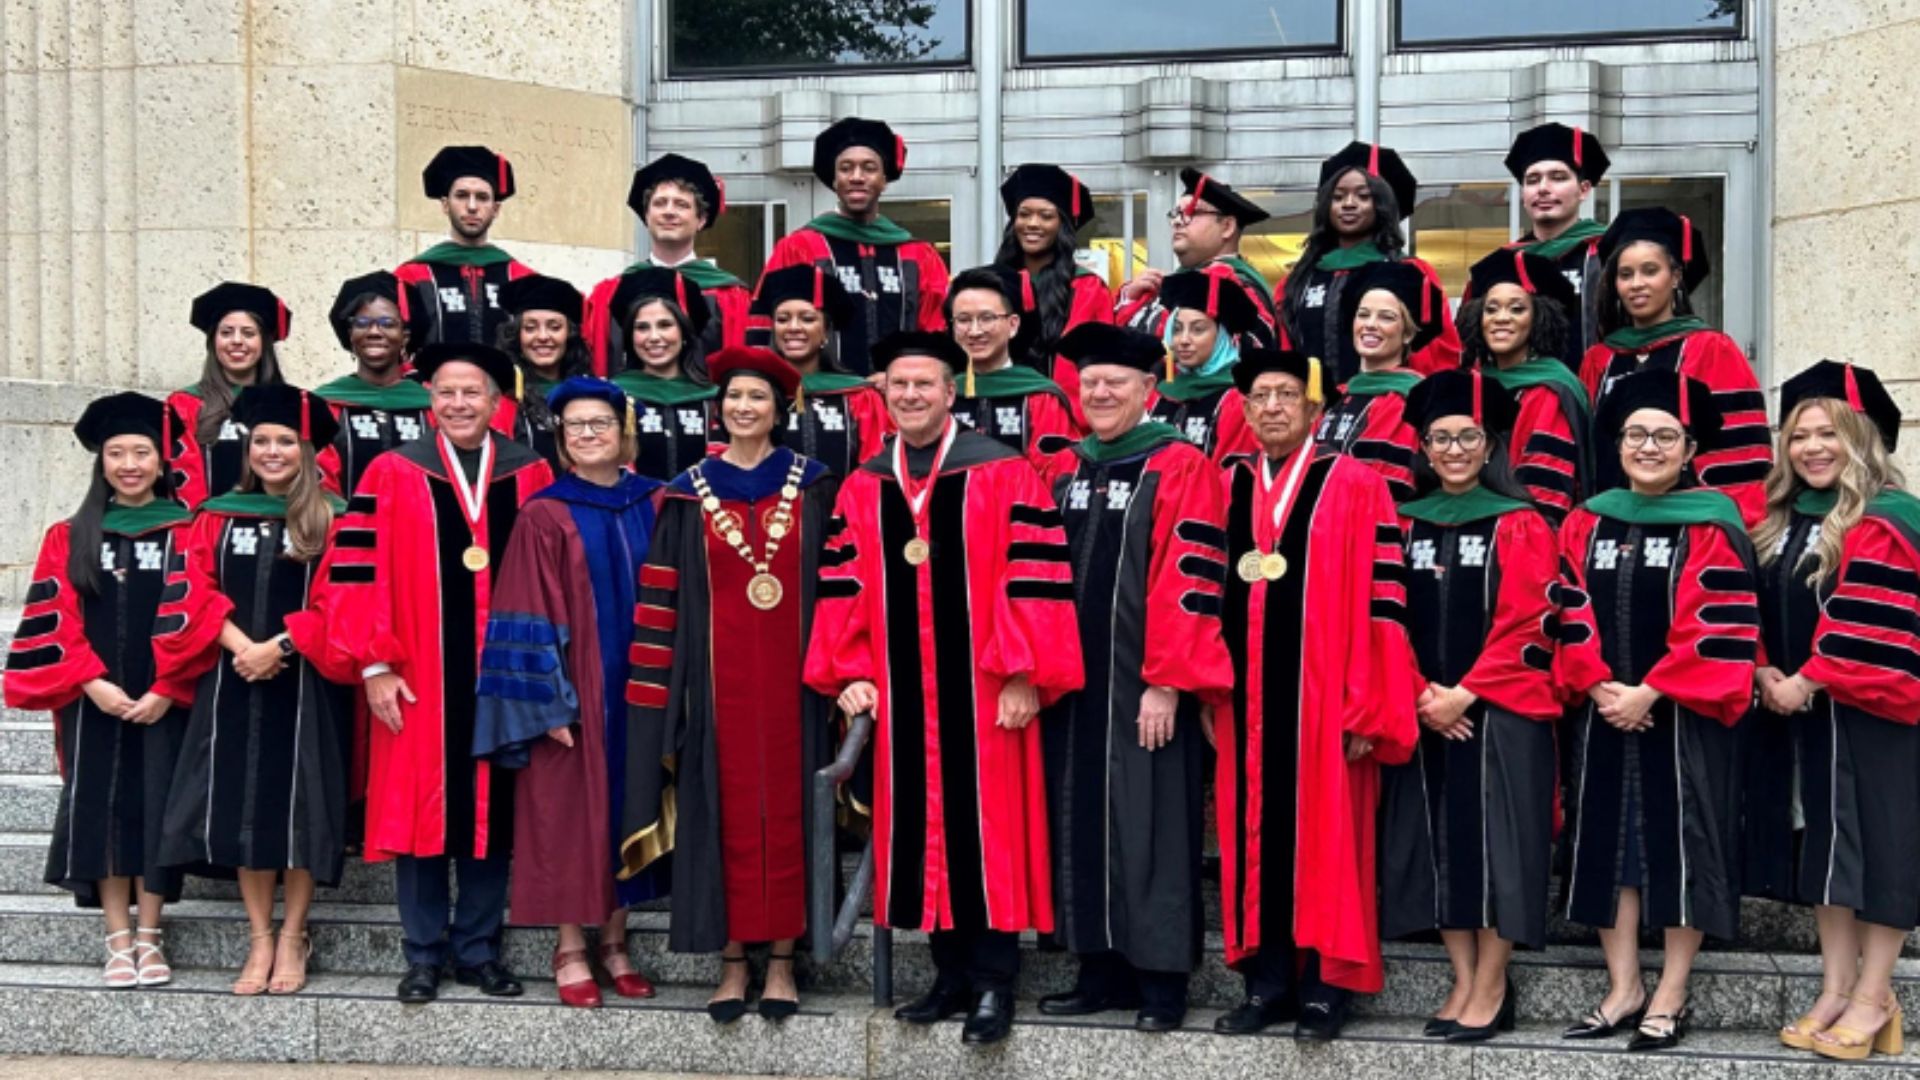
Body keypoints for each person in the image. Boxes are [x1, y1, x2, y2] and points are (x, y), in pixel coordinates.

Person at [804, 331, 1084, 1046]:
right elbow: (843, 584)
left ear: (950, 392)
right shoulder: (866, 484)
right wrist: (851, 671)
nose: (910, 395)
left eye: (923, 384)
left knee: (987, 833)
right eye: (899, 385)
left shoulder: (1004, 471)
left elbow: (1035, 575)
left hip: (987, 692)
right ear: (884, 395)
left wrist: (1024, 673)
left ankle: (994, 982)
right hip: (903, 696)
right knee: (920, 830)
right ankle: (948, 975)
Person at [321, 342, 556, 1005]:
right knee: (419, 813)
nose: (458, 403)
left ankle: (479, 951)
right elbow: (355, 573)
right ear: (430, 399)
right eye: (446, 392)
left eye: (471, 392)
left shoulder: (531, 471)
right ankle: (422, 954)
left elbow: (553, 576)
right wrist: (373, 664)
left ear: (496, 402)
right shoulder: (392, 471)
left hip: (505, 674)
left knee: (493, 810)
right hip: (416, 670)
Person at [623, 347, 835, 1024]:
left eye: (758, 397)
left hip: (798, 686)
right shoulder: (688, 494)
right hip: (712, 690)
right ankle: (733, 960)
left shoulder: (815, 486)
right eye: (735, 397)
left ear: (781, 410)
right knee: (723, 812)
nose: (744, 407)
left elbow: (840, 585)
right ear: (720, 408)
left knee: (793, 810)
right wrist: (661, 693)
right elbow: (661, 598)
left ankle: (784, 960)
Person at [1213, 347, 1418, 1041]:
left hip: (1329, 701)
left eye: (1285, 395)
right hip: (1244, 702)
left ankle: (1328, 987)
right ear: (1244, 411)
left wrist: (1369, 703)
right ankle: (1268, 982)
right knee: (1254, 836)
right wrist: (1210, 688)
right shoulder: (1227, 483)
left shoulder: (1357, 484)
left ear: (1315, 408)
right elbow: (1201, 590)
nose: (1271, 407)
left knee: (1330, 839)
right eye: (1259, 397)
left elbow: (1384, 602)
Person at [1035, 323, 1234, 1032]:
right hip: (1072, 684)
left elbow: (1192, 574)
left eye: (1114, 383)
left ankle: (1161, 981)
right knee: (1079, 815)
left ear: (1149, 389)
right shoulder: (1065, 466)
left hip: (1143, 684)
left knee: (1151, 823)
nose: (1099, 393)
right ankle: (1098, 967)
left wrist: (1168, 680)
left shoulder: (1180, 464)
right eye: (1089, 382)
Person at [1554, 369, 1758, 1052]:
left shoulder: (1712, 523)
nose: (1648, 446)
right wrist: (1597, 684)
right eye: (1636, 434)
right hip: (1602, 710)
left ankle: (1671, 989)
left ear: (1690, 448)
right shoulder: (1585, 519)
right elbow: (1566, 605)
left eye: (1665, 436)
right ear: (1617, 445)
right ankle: (1623, 987)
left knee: (1681, 845)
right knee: (1607, 842)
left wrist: (1654, 689)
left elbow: (1719, 619)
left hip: (1683, 718)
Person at [153, 385, 356, 997]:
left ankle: (293, 934)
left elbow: (345, 602)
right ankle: (260, 936)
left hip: (308, 683)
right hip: (232, 680)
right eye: (261, 440)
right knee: (244, 806)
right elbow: (194, 588)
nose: (271, 451)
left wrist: (281, 646)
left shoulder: (335, 517)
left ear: (307, 450)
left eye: (285, 441)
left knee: (301, 809)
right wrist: (244, 646)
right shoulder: (216, 515)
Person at [1377, 370, 1559, 1044]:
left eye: (1468, 438)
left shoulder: (1521, 522)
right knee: (1438, 847)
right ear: (1423, 448)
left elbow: (1533, 620)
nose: (1453, 450)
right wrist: (1422, 691)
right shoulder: (1402, 522)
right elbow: (1382, 616)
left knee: (1498, 847)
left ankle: (1493, 982)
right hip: (1424, 711)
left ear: (1490, 446)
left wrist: (1465, 693)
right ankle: (1462, 977)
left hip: (1500, 713)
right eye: (1440, 439)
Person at [472, 378, 664, 1011]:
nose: (587, 434)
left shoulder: (657, 501)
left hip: (642, 691)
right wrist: (545, 704)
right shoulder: (545, 513)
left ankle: (615, 941)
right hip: (573, 695)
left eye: (599, 423)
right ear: (560, 437)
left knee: (628, 809)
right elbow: (523, 608)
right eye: (575, 425)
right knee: (567, 815)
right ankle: (570, 946)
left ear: (622, 431)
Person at [1753, 361, 1918, 1062]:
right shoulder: (1781, 522)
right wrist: (1764, 667)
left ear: (1863, 437)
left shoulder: (1888, 519)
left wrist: (1807, 679)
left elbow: (1869, 617)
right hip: (1805, 715)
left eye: (1829, 433)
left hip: (1875, 715)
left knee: (1881, 846)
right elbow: (1752, 606)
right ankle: (1835, 988)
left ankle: (1876, 996)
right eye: (1798, 436)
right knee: (1826, 848)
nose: (1812, 448)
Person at [4, 393, 196, 988]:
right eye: (117, 453)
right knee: (104, 807)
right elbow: (54, 615)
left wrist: (168, 686)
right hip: (91, 699)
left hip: (164, 698)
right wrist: (91, 682)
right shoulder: (70, 535)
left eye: (141, 452)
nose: (129, 464)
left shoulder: (188, 532)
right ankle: (117, 937)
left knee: (157, 805)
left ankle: (151, 933)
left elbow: (198, 612)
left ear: (161, 462)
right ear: (101, 461)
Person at [1579, 207, 1771, 524]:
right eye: (1625, 275)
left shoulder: (1711, 349)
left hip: (1691, 523)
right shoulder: (1599, 359)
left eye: (1650, 271)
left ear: (1676, 276)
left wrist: (1728, 526)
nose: (1636, 284)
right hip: (1610, 521)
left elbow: (1737, 455)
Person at [759, 117, 950, 374]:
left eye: (869, 168)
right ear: (834, 180)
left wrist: (898, 376)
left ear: (884, 179)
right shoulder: (800, 247)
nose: (857, 177)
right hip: (822, 390)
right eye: (846, 168)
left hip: (900, 393)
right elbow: (770, 326)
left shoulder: (917, 255)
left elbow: (936, 331)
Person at [1277, 142, 1461, 383]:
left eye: (1363, 196)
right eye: (1338, 197)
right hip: (1312, 404)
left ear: (1383, 204)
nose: (1348, 204)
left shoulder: (1410, 275)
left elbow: (1438, 355)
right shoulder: (1300, 281)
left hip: (1388, 400)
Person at [1460, 248, 1592, 525]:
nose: (1501, 318)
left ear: (1538, 319)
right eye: (1491, 309)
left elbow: (1544, 491)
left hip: (1522, 530)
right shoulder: (1470, 383)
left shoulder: (1548, 390)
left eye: (1517, 309)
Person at [584, 153, 750, 373]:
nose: (669, 212)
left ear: (700, 220)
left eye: (681, 205)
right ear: (646, 216)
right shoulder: (609, 294)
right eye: (660, 203)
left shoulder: (730, 296)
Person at [1313, 261, 1445, 503]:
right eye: (1363, 314)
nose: (1370, 324)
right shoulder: (1336, 397)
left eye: (1386, 317)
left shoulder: (1410, 402)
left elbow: (1387, 490)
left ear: (1408, 333)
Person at [751, 265, 892, 490]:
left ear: (826, 331)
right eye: (782, 319)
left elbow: (875, 470)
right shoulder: (754, 394)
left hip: (845, 510)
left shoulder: (859, 397)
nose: (793, 327)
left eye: (807, 319)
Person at [994, 163, 1114, 422]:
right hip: (996, 411)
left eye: (1046, 216)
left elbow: (1088, 366)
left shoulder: (1086, 288)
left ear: (1063, 226)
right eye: (1024, 214)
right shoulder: (993, 284)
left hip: (1061, 420)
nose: (1032, 224)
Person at [395, 145, 535, 346]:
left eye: (482, 197)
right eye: (461, 195)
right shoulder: (412, 276)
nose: (472, 206)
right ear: (445, 205)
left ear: (496, 209)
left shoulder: (522, 279)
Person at [168, 282, 291, 509]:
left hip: (279, 521)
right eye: (226, 332)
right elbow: (184, 483)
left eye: (248, 333)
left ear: (264, 343)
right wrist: (206, 524)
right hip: (210, 524)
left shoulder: (290, 404)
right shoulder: (186, 404)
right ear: (213, 341)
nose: (236, 341)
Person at [946, 267, 1082, 466]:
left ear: (1013, 325)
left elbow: (1056, 468)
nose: (974, 331)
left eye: (987, 318)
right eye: (963, 320)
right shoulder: (945, 394)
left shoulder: (1040, 396)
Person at [1501, 123, 1612, 365]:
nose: (1543, 188)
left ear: (1584, 190)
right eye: (1532, 180)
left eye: (1558, 178)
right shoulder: (1504, 264)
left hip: (1594, 382)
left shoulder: (1608, 253)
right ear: (1523, 195)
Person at [314, 271, 432, 498]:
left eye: (388, 323)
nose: (374, 332)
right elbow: (321, 487)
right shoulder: (326, 406)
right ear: (350, 334)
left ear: (405, 336)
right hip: (344, 520)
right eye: (362, 323)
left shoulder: (432, 408)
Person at [1117, 168, 1276, 336]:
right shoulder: (1176, 284)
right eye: (1176, 213)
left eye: (1192, 212)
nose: (1177, 221)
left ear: (1227, 227)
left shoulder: (1234, 289)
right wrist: (1130, 300)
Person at [607, 267, 722, 482]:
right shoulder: (612, 397)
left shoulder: (713, 401)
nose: (654, 337)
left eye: (665, 325)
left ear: (684, 332)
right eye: (642, 328)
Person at [1146, 269, 1262, 464]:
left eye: (1198, 329)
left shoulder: (1237, 400)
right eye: (1176, 329)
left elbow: (1232, 472)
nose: (1183, 340)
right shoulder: (1158, 395)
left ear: (1222, 337)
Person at [496, 274, 592, 470]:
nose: (542, 337)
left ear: (569, 334)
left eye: (554, 327)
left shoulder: (590, 393)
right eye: (530, 328)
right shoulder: (504, 398)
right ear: (517, 336)